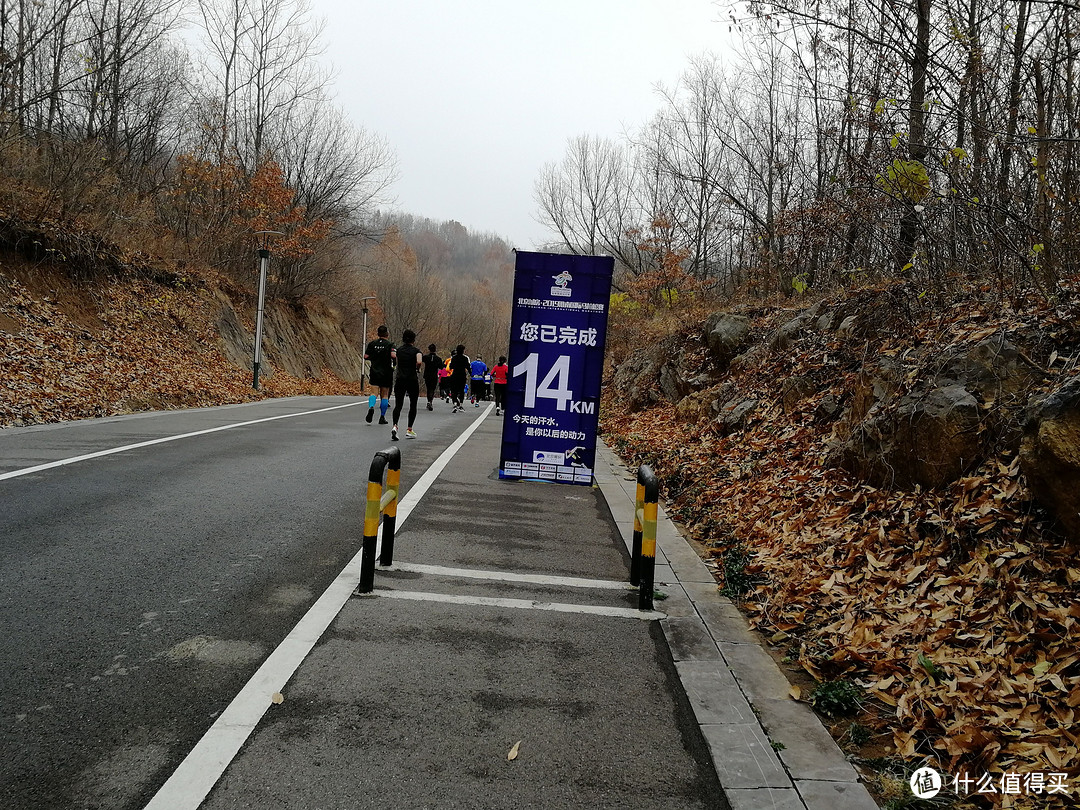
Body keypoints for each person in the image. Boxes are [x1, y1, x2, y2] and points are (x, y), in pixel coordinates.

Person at [391, 329, 423, 440]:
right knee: (413, 404)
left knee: (398, 405)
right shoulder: (417, 351)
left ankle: (395, 426)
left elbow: (393, 356)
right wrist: (417, 369)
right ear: (413, 339)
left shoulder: (399, 350)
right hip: (412, 379)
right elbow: (419, 361)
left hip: (400, 379)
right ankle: (409, 429)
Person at [364, 325, 395, 425]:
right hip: (386, 372)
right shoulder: (390, 344)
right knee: (384, 395)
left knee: (374, 392)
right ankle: (382, 417)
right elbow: (393, 355)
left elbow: (366, 356)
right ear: (387, 334)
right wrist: (394, 363)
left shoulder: (372, 344)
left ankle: (371, 407)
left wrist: (374, 357)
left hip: (374, 371)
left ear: (378, 334)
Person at [448, 344, 471, 413]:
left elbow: (451, 367)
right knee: (461, 390)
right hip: (462, 375)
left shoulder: (454, 358)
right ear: (463, 351)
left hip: (455, 375)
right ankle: (460, 405)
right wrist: (471, 373)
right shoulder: (465, 358)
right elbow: (468, 367)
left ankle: (455, 404)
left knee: (454, 390)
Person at [421, 344, 443, 411]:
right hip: (434, 375)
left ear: (429, 349)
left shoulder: (426, 357)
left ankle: (429, 401)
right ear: (435, 350)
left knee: (428, 388)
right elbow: (441, 367)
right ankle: (430, 401)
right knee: (432, 389)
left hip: (427, 375)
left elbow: (420, 360)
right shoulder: (438, 359)